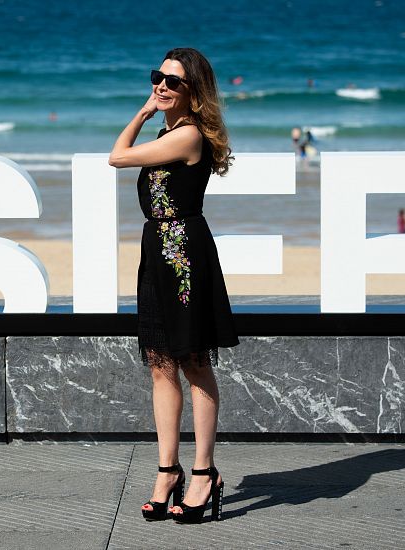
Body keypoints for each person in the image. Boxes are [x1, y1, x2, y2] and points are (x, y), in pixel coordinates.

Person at [109, 47, 240, 524]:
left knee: (195, 363)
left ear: (194, 92)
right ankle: (168, 471)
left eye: (172, 82)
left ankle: (203, 473)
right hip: (157, 252)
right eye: (156, 79)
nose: (161, 87)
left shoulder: (186, 136)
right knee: (161, 365)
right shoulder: (169, 130)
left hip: (185, 255)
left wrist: (142, 112)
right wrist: (151, 113)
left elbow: (117, 157)